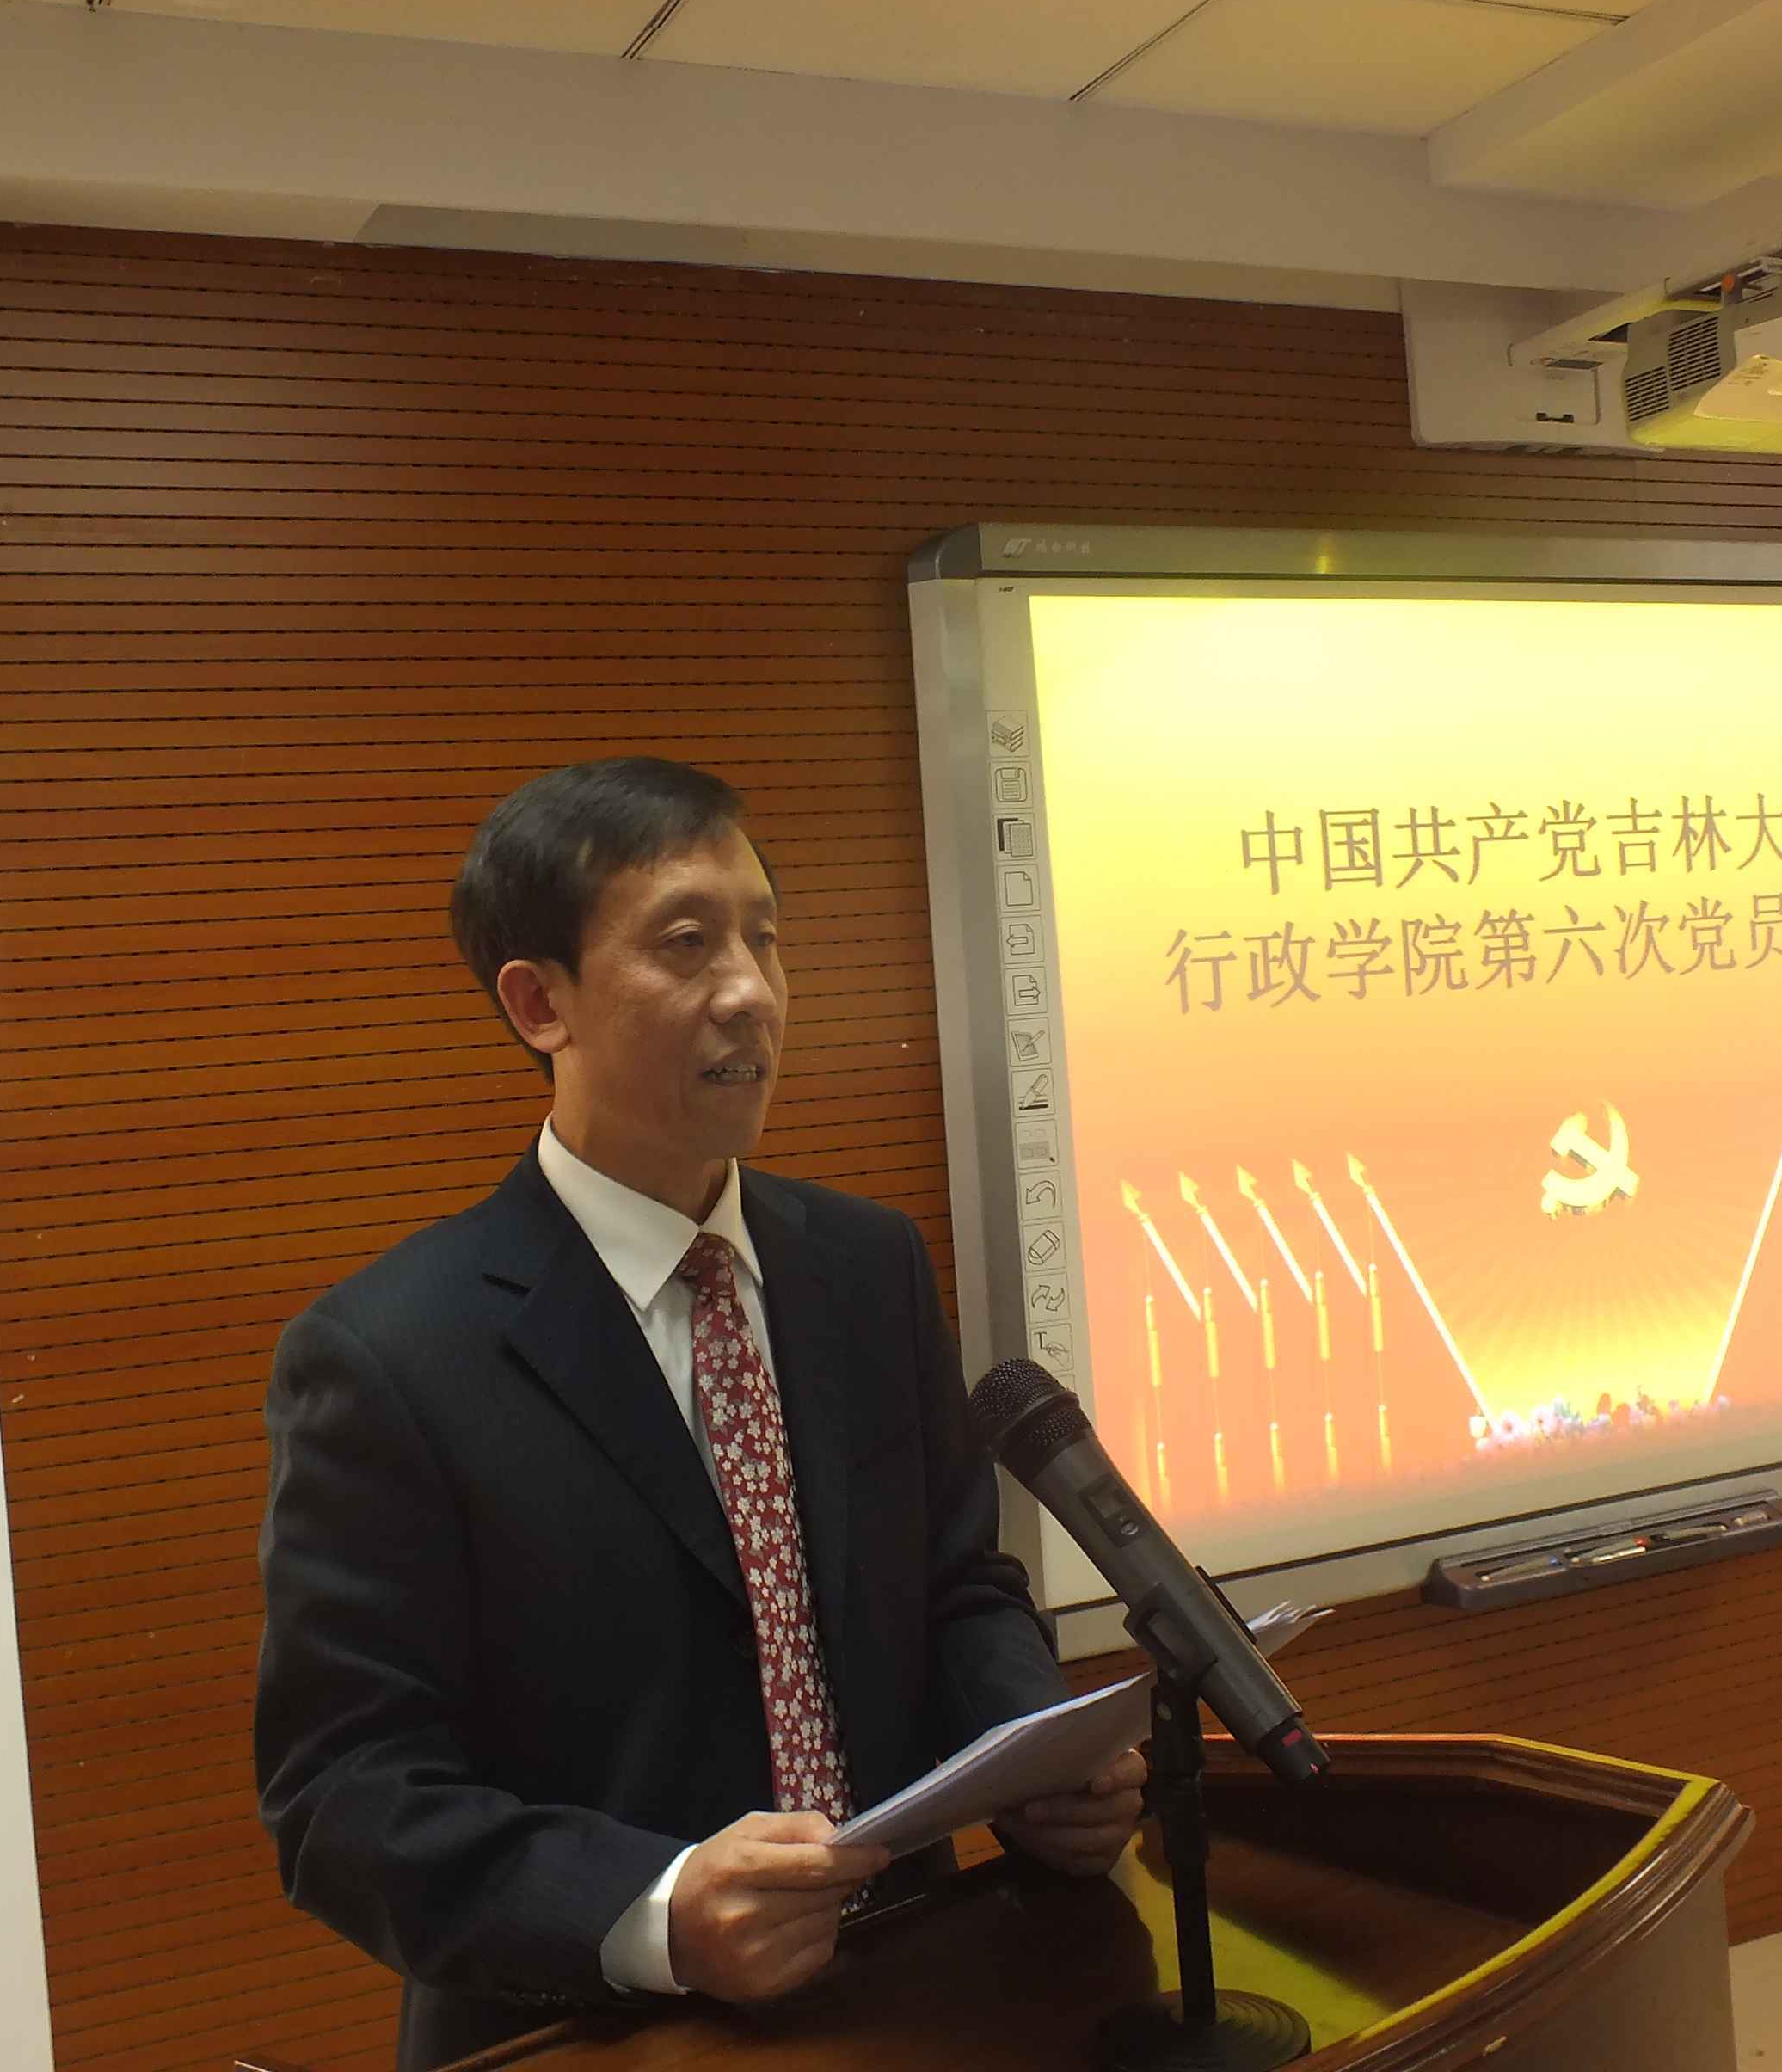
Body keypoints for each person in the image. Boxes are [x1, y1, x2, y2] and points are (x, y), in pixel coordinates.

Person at [255, 756, 1146, 2069]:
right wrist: (657, 1911)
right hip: (597, 2032)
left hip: (922, 1986)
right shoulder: (390, 1355)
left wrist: (1031, 1762)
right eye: (687, 944)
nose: (750, 991)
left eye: (763, 939)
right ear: (539, 1003)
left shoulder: (865, 1267)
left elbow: (957, 1587)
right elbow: (344, 1795)